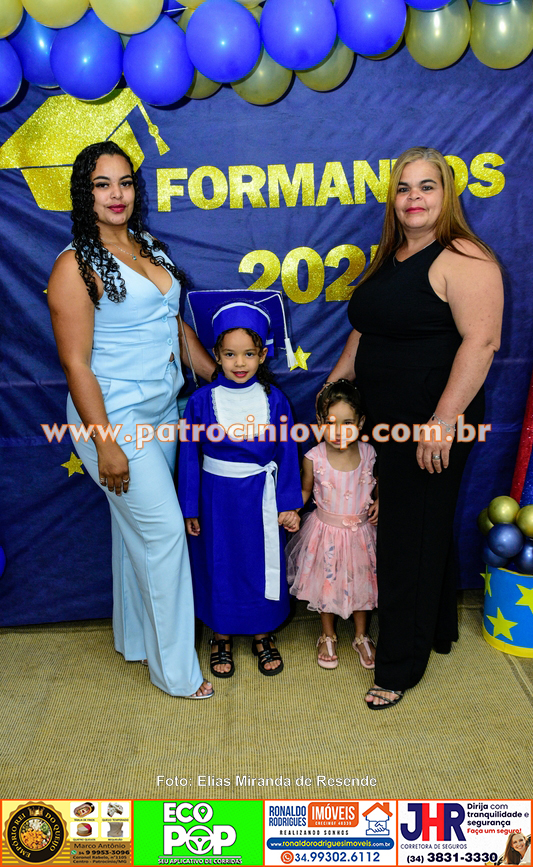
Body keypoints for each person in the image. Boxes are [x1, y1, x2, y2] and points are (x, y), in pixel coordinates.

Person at [329, 146, 503, 709]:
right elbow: (365, 331)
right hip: (388, 418)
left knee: (407, 537)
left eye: (427, 186)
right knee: (422, 526)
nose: (414, 198)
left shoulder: (465, 256)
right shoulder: (393, 255)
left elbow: (482, 342)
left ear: (446, 194)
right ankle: (438, 629)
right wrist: (332, 389)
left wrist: (442, 422)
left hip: (432, 420)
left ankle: (398, 667)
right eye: (404, 187)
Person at [47, 140, 216, 699]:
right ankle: (177, 674)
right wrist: (106, 445)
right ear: (85, 193)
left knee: (134, 535)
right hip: (113, 420)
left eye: (124, 182)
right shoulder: (74, 265)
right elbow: (75, 363)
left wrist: (215, 376)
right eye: (102, 184)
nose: (116, 194)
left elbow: (171, 322)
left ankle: (137, 641)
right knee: (163, 536)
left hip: (163, 411)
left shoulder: (147, 247)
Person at [178, 291, 303, 678]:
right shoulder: (201, 401)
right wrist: (190, 507)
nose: (239, 363)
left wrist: (288, 503)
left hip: (261, 499)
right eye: (230, 354)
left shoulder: (275, 400)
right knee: (219, 564)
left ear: (263, 355)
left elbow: (287, 453)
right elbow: (189, 456)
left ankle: (263, 632)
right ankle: (221, 635)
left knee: (259, 562)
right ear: (216, 355)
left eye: (248, 354)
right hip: (216, 499)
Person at [286, 381, 378, 669]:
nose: (339, 431)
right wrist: (292, 510)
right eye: (332, 423)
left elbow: (377, 486)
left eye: (348, 423)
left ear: (360, 422)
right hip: (324, 534)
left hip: (361, 535)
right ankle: (327, 634)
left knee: (363, 582)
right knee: (325, 583)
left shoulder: (369, 453)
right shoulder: (314, 457)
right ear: (320, 422)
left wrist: (380, 502)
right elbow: (305, 490)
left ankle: (361, 635)